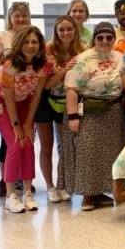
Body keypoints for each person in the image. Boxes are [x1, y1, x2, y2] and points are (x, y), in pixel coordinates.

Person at [62, 22, 125, 211]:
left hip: (112, 110)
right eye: (100, 38)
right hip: (88, 111)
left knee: (109, 154)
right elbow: (71, 89)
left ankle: (100, 191)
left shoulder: (120, 57)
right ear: (94, 39)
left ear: (114, 40)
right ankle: (87, 195)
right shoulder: (83, 59)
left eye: (109, 38)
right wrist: (73, 117)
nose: (105, 41)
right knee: (88, 153)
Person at [0, 26, 50, 214]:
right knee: (15, 143)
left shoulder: (43, 64)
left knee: (29, 142)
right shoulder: (9, 65)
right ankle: (10, 195)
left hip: (25, 103)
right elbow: (7, 97)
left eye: (34, 42)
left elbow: (37, 95)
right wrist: (17, 126)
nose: (30, 46)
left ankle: (27, 192)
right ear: (18, 44)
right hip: (1, 103)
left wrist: (27, 124)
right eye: (26, 42)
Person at [35, 15, 84, 203]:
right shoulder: (47, 50)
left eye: (69, 29)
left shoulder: (82, 50)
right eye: (61, 30)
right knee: (46, 147)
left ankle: (63, 183)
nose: (65, 33)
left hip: (68, 101)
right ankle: (50, 186)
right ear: (56, 31)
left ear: (75, 31)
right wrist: (65, 70)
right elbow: (45, 84)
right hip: (46, 100)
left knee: (66, 146)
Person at [0, 1, 32, 198]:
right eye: (17, 16)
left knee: (25, 140)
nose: (21, 19)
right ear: (10, 18)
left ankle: (22, 179)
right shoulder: (1, 37)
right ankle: (4, 179)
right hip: (4, 93)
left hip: (24, 96)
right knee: (9, 141)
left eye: (24, 15)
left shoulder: (33, 36)